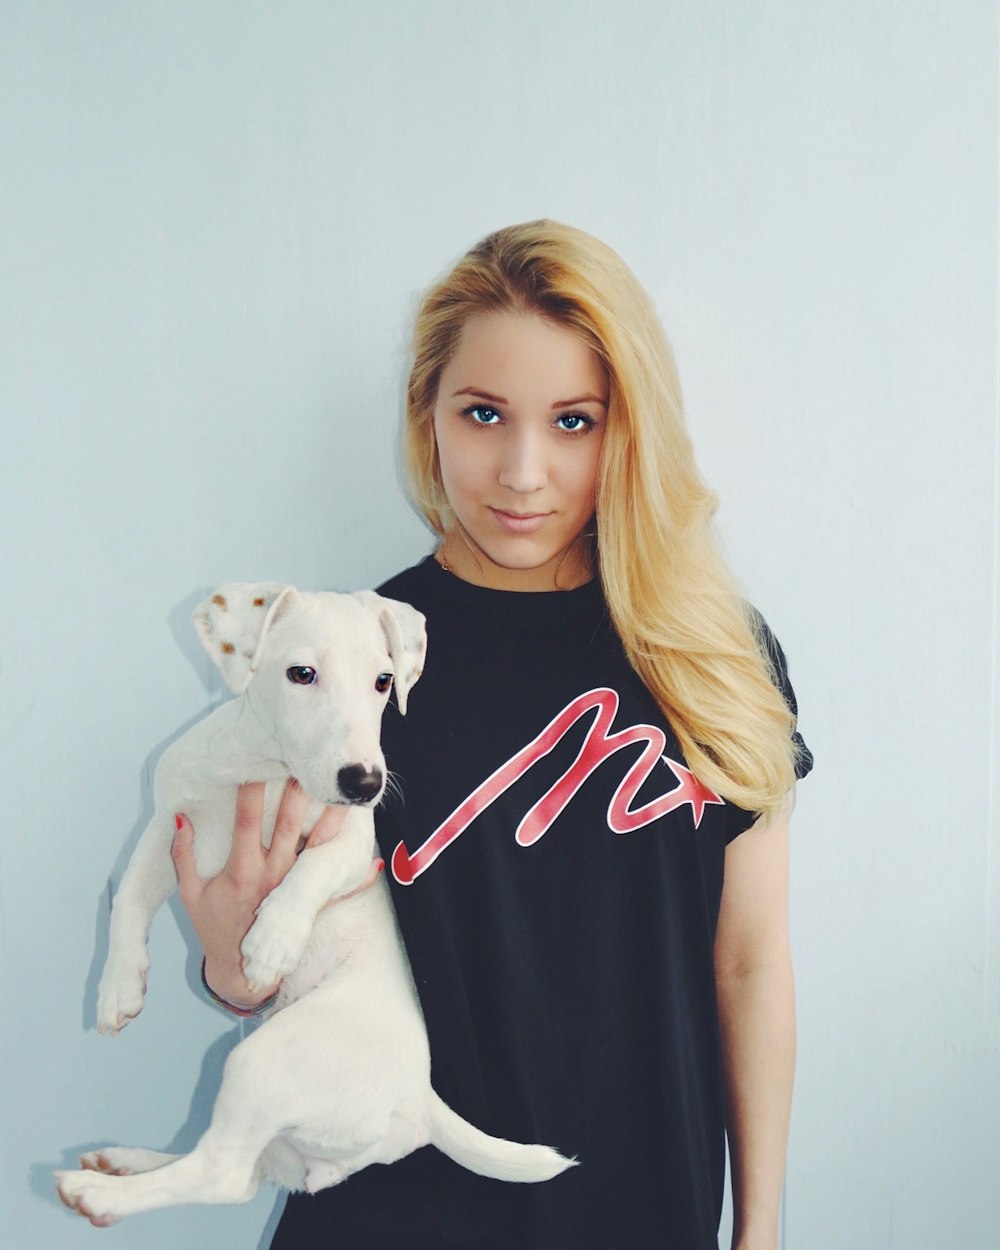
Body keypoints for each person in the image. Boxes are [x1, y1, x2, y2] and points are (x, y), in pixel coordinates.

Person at [174, 220, 812, 1250]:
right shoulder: (352, 663)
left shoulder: (713, 655)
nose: (522, 470)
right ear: (429, 415)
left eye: (572, 420)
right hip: (395, 1216)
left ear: (628, 428)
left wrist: (765, 1227)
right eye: (483, 414)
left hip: (643, 1214)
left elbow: (749, 964)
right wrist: (231, 970)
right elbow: (284, 953)